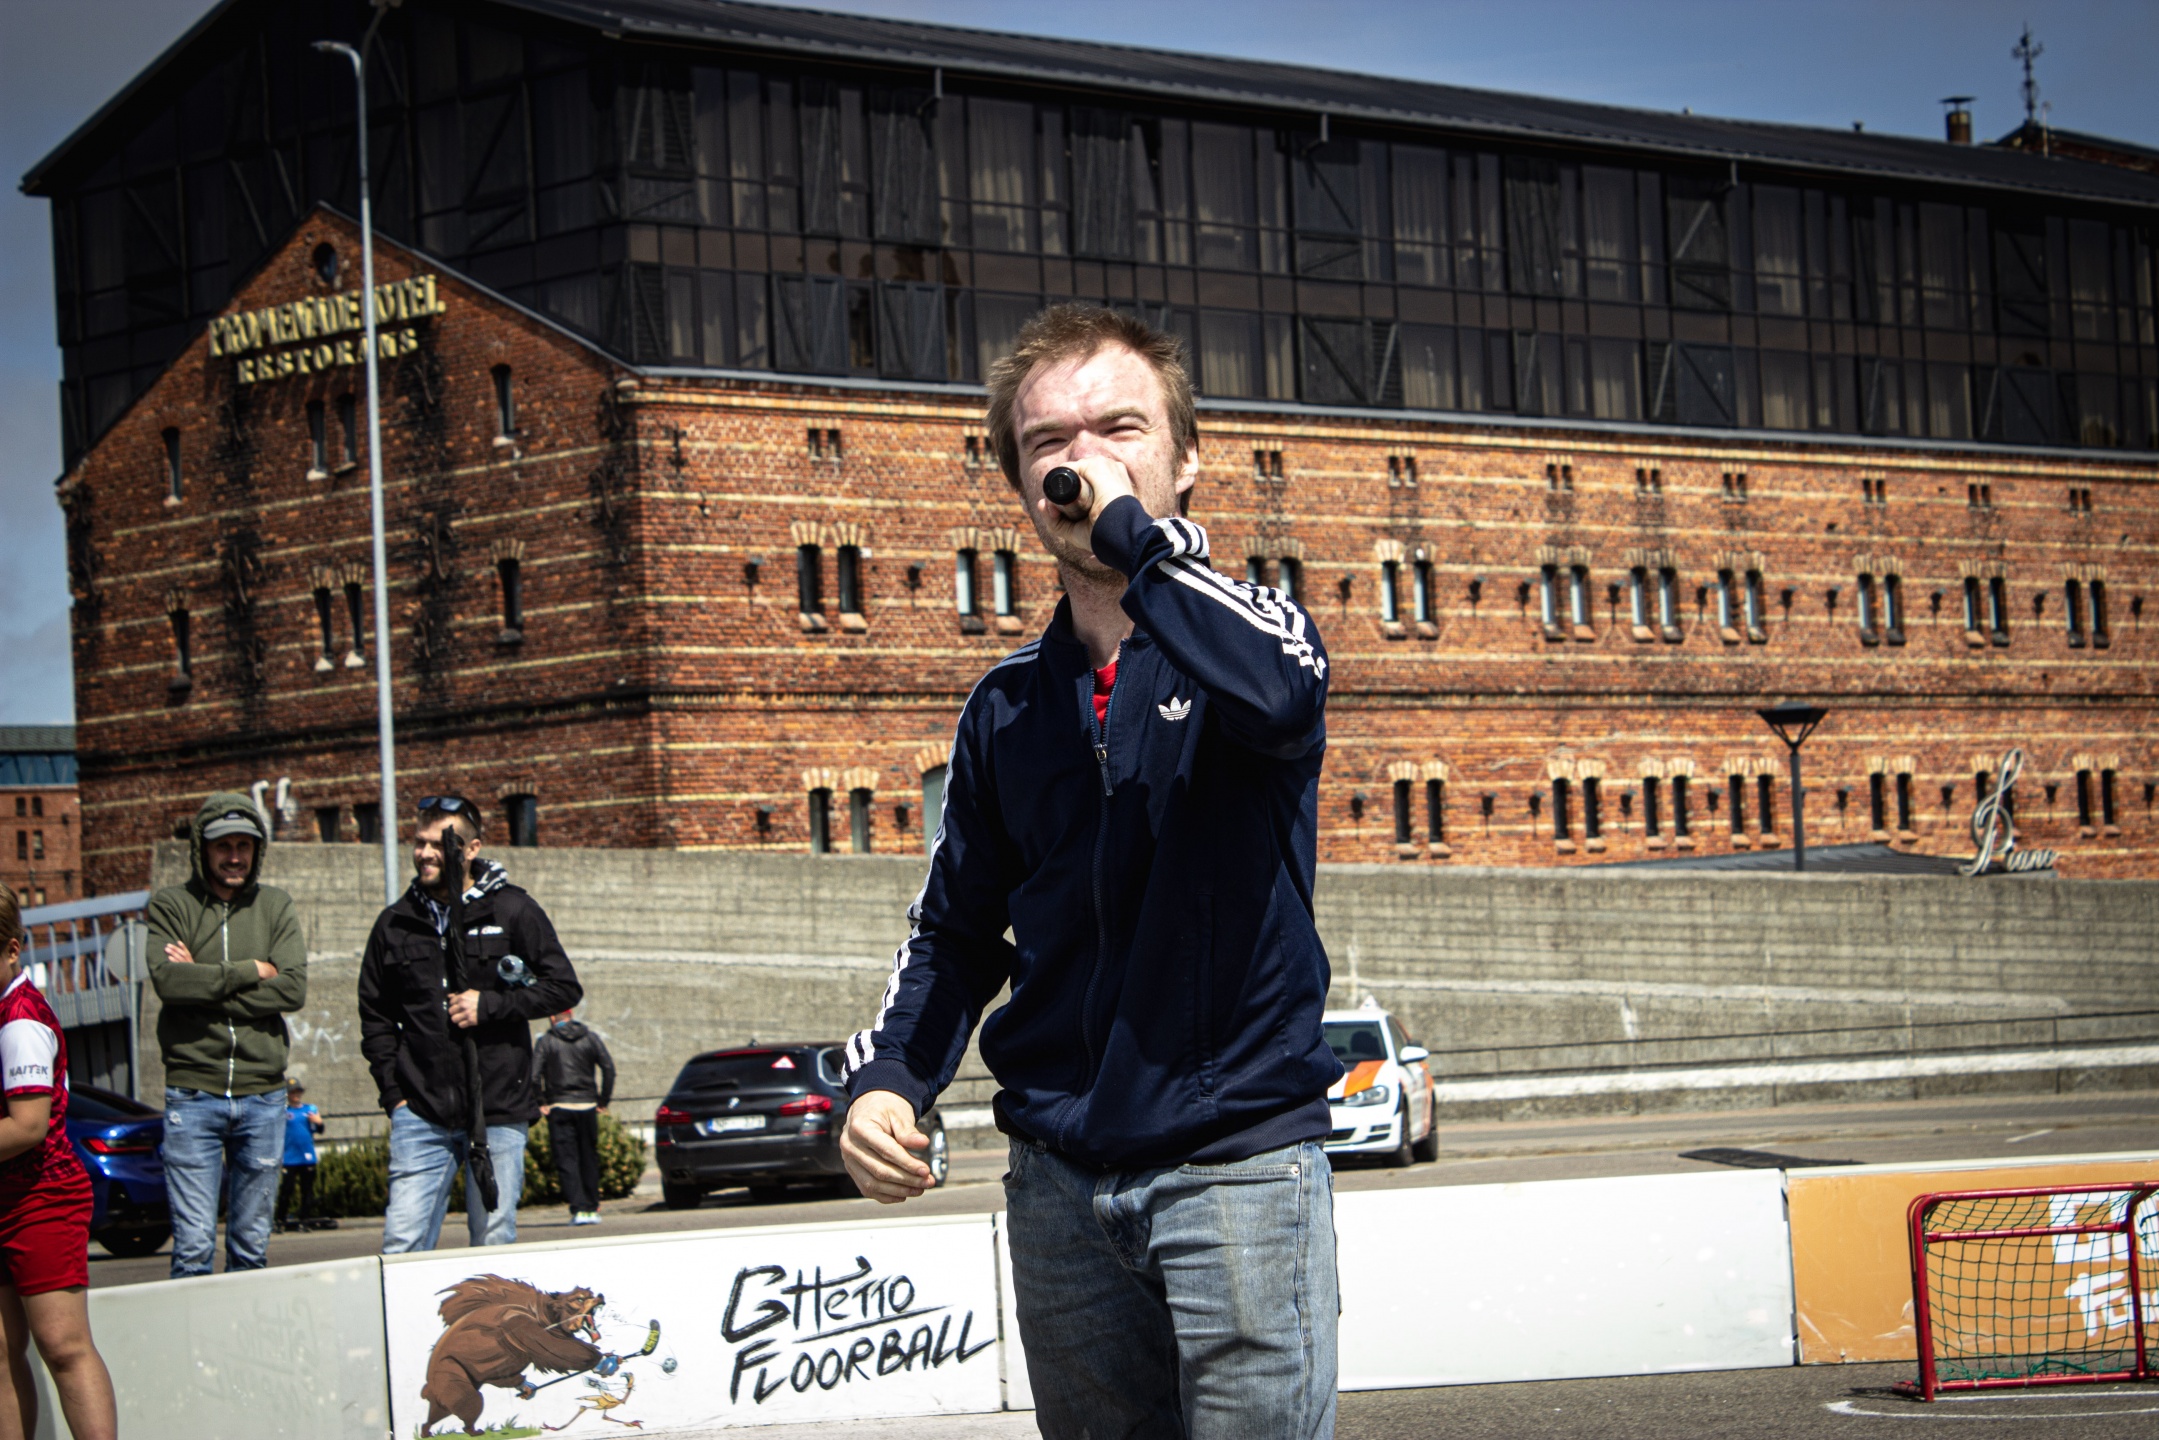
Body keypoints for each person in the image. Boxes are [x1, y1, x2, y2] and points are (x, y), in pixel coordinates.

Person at [839, 305, 1342, 1439]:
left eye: (1118, 429)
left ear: (1186, 455)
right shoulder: (1005, 707)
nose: (1081, 461)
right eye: (1047, 443)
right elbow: (954, 931)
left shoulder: (1263, 635)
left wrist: (1137, 539)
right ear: (1018, 482)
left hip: (1236, 1168)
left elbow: (1277, 695)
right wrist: (888, 1080)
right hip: (1059, 1183)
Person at [357, 796, 580, 1253]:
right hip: (421, 1114)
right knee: (402, 1244)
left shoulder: (512, 910)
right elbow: (375, 1014)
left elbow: (563, 988)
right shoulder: (394, 923)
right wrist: (395, 1096)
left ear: (471, 848)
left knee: (493, 1243)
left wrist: (490, 1005)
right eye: (419, 843)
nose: (425, 854)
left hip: (498, 1110)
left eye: (438, 844)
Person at [145, 793, 307, 1279]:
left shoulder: (275, 905)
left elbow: (293, 989)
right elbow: (169, 982)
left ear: (257, 850)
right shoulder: (172, 905)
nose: (235, 856)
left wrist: (204, 980)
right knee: (193, 1251)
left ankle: (245, 1331)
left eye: (244, 845)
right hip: (192, 1095)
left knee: (251, 1252)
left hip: (264, 1096)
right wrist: (251, 970)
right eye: (223, 846)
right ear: (202, 848)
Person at [0, 890, 118, 1440]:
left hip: (41, 1197)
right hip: (9, 1195)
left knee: (63, 1346)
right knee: (2, 1352)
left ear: (12, 950)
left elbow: (27, 1126)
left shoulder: (20, 1019)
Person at [531, 1009, 616, 1226]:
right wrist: (603, 1100)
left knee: (567, 1159)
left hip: (559, 1105)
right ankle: (592, 1206)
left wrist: (541, 1101)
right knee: (589, 1156)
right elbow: (609, 1068)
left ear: (552, 1018)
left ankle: (579, 1208)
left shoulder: (546, 1041)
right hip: (587, 1104)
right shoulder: (590, 1037)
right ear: (571, 1015)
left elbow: (534, 1075)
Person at [275, 1081, 330, 1233]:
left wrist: (319, 1122)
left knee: (307, 1191)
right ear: (288, 1094)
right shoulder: (284, 1111)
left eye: (298, 1092)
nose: (296, 1095)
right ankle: (280, 1220)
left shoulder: (309, 1109)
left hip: (306, 1156)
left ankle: (304, 1220)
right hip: (289, 1157)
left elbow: (320, 1129)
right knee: (287, 1190)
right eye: (293, 1092)